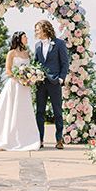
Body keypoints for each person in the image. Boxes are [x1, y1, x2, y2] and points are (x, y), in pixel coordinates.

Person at [33, 19, 69, 149]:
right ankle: (40, 139)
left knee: (57, 112)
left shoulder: (59, 43)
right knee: (40, 112)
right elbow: (35, 64)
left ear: (45, 29)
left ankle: (59, 139)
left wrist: (61, 78)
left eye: (38, 29)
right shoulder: (37, 45)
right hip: (41, 83)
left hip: (55, 82)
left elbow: (65, 63)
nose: (36, 31)